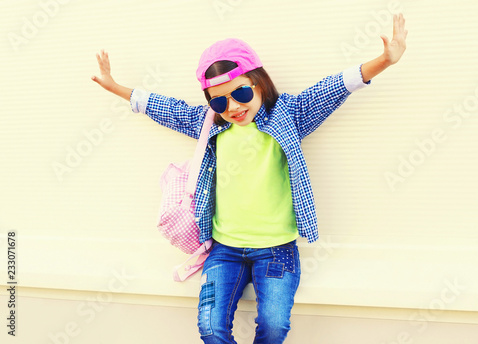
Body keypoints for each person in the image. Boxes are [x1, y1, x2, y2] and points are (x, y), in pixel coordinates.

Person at [92, 14, 407, 344]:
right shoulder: (210, 124)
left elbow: (331, 88)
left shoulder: (288, 114)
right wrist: (115, 86)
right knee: (211, 327)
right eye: (218, 100)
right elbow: (166, 108)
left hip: (276, 249)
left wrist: (384, 60)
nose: (232, 106)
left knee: (273, 326)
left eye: (240, 93)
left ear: (258, 83)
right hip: (223, 249)